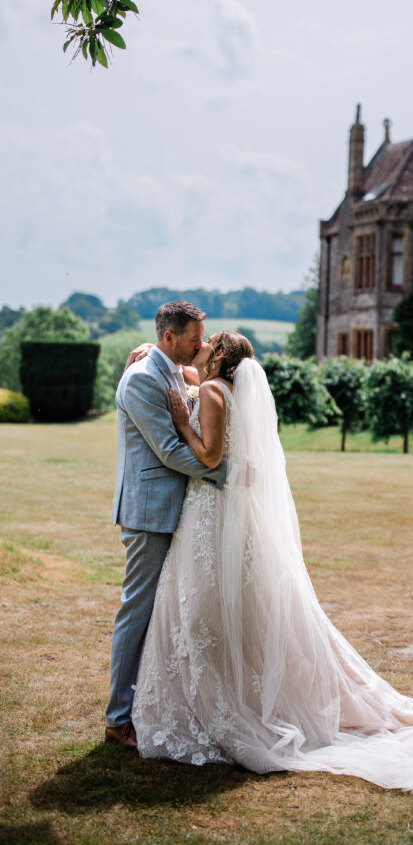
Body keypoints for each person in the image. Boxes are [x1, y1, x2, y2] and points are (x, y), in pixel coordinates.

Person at [132, 331, 413, 797]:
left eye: (208, 343)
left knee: (207, 603)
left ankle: (221, 703)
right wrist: (155, 354)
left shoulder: (209, 390)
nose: (199, 347)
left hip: (211, 509)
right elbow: (189, 376)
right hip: (233, 515)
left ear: (220, 356)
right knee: (240, 605)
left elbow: (207, 452)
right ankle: (237, 692)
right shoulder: (235, 390)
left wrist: (179, 420)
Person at [105, 301, 229, 749]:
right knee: (137, 611)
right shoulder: (141, 379)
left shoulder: (174, 366)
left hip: (175, 507)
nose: (201, 344)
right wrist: (229, 476)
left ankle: (149, 705)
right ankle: (118, 719)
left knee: (166, 612)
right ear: (170, 338)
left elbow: (207, 372)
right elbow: (169, 452)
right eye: (195, 337)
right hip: (148, 511)